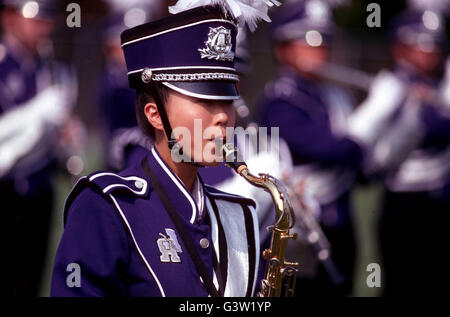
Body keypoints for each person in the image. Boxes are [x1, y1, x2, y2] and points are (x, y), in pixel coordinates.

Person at [50, 0, 280, 297]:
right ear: (154, 114)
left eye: (227, 100)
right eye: (205, 101)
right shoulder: (107, 207)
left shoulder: (241, 215)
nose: (223, 115)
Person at [258, 0, 363, 296]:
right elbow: (327, 148)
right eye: (306, 41)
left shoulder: (335, 96)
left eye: (323, 41)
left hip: (341, 224)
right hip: (299, 231)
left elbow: (364, 168)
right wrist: (373, 119)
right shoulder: (280, 99)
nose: (318, 50)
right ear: (283, 48)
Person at [367, 7, 450, 296]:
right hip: (404, 204)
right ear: (399, 46)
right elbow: (428, 129)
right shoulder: (390, 89)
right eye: (420, 44)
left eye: (436, 46)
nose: (429, 54)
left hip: (440, 201)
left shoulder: (439, 88)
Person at [0, 0, 77, 296]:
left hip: (39, 188)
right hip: (7, 189)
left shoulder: (51, 69)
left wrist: (67, 139)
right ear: (9, 17)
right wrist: (38, 112)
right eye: (34, 17)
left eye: (49, 19)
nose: (44, 27)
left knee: (31, 280)